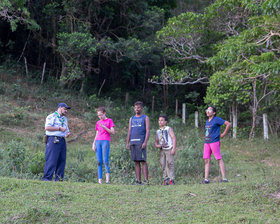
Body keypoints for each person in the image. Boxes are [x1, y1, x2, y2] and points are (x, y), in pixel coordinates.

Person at [202, 106, 231, 184]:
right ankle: (206, 179)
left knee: (218, 158)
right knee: (206, 160)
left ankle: (224, 178)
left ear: (214, 113)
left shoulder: (216, 119)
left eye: (210, 110)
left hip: (214, 141)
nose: (208, 111)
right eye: (207, 110)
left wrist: (223, 134)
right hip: (207, 142)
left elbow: (228, 124)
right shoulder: (207, 121)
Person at [42, 103, 71, 181]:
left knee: (62, 160)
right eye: (65, 109)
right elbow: (47, 127)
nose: (66, 111)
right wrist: (59, 128)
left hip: (62, 140)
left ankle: (59, 179)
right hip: (53, 139)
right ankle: (47, 179)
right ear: (60, 108)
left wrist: (67, 134)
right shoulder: (51, 116)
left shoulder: (64, 119)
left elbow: (66, 130)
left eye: (66, 110)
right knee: (51, 160)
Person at [126, 101, 150, 185]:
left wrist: (145, 142)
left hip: (141, 142)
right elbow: (129, 130)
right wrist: (127, 142)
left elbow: (147, 130)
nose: (137, 109)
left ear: (142, 108)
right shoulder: (131, 118)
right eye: (135, 108)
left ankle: (146, 181)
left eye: (138, 108)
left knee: (143, 161)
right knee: (136, 162)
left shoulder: (145, 118)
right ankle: (138, 181)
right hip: (133, 142)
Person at [92, 107, 115, 184]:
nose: (100, 117)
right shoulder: (98, 122)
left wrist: (105, 127)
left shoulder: (109, 120)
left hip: (105, 140)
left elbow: (112, 132)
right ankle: (100, 180)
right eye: (98, 115)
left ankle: (107, 180)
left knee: (105, 159)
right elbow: (97, 133)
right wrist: (93, 143)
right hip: (98, 141)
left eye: (101, 115)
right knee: (99, 161)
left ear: (105, 113)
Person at [155, 115, 176, 185]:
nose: (160, 122)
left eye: (162, 120)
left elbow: (173, 138)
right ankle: (165, 179)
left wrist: (173, 148)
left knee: (170, 163)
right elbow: (156, 141)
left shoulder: (168, 129)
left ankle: (171, 179)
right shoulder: (158, 131)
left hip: (169, 148)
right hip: (162, 149)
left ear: (165, 122)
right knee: (163, 164)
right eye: (159, 120)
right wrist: (158, 146)